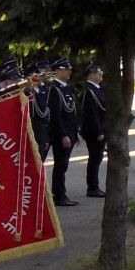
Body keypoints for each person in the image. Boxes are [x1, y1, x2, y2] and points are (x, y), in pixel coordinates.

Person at [47, 58, 79, 207]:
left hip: (69, 132)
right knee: (60, 165)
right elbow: (55, 115)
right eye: (66, 69)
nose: (69, 72)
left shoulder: (66, 89)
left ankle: (61, 193)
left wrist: (75, 133)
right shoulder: (55, 90)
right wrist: (63, 135)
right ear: (58, 71)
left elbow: (71, 114)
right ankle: (59, 195)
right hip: (61, 134)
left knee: (64, 165)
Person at [81, 62, 107, 198]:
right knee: (94, 159)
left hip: (101, 129)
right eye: (98, 72)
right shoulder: (89, 91)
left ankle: (94, 186)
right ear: (90, 75)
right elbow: (91, 114)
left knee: (97, 158)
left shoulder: (97, 89)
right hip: (94, 132)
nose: (101, 74)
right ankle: (92, 187)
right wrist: (98, 131)